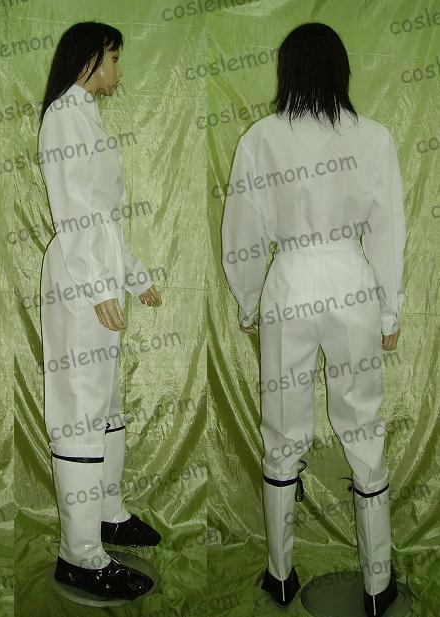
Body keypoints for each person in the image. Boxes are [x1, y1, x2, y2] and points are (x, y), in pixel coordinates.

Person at [220, 23, 405, 617]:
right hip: (352, 281)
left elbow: (243, 230)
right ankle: (377, 584)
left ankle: (279, 574)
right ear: (341, 69)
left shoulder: (261, 138)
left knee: (282, 426)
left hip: (290, 281)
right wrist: (390, 309)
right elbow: (388, 231)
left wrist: (249, 301)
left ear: (288, 70)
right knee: (364, 426)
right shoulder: (374, 138)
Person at [37, 22, 163, 601]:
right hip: (79, 277)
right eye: (114, 58)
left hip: (98, 270)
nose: (119, 70)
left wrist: (133, 276)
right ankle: (80, 555)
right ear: (91, 59)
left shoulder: (85, 115)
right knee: (80, 410)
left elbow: (103, 218)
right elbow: (71, 211)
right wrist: (96, 285)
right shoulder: (64, 116)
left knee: (105, 403)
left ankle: (108, 513)